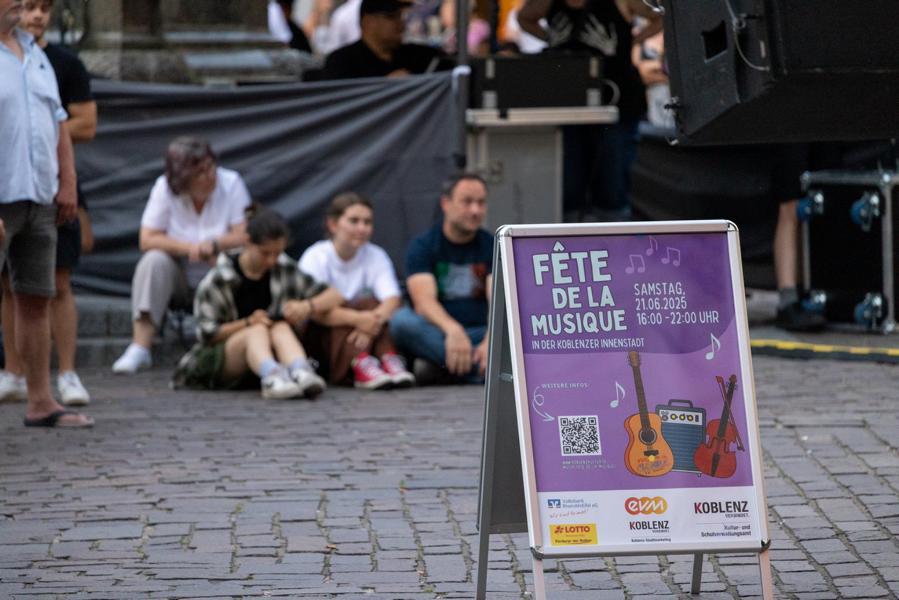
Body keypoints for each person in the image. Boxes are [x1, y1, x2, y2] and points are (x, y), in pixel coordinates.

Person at [0, 0, 98, 407]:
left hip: (40, 195)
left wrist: (67, 181)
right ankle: (14, 374)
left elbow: (58, 121)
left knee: (38, 297)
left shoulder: (38, 55)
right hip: (4, 196)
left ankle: (41, 400)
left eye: (40, 4)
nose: (27, 8)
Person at [112, 137, 250, 374]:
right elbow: (147, 238)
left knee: (244, 262)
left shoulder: (231, 183)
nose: (209, 176)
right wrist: (189, 248)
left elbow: (246, 234)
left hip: (220, 272)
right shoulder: (164, 188)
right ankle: (140, 347)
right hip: (180, 276)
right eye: (200, 173)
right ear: (182, 178)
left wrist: (215, 245)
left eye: (211, 167)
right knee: (153, 261)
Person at [173, 209, 343, 399]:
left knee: (279, 326)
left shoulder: (284, 268)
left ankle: (300, 370)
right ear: (248, 242)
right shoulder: (219, 279)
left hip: (268, 351)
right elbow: (208, 334)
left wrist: (306, 306)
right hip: (221, 358)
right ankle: (272, 376)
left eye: (277, 253)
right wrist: (247, 322)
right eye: (265, 253)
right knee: (257, 329)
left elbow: (334, 295)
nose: (271, 260)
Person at [517, 0, 661, 222]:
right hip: (570, 104)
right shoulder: (549, 3)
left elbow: (659, 17)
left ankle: (614, 234)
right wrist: (550, 39)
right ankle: (572, 230)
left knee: (611, 184)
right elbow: (524, 17)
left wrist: (633, 39)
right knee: (569, 184)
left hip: (617, 102)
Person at [299, 192, 415, 389]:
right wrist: (359, 319)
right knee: (348, 308)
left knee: (372, 305)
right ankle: (360, 362)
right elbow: (315, 312)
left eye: (367, 222)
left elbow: (392, 299)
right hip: (323, 339)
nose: (362, 228)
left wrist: (371, 322)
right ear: (333, 224)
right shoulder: (315, 257)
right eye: (354, 221)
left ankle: (385, 359)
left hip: (366, 329)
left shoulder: (376, 254)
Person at [389, 173, 493, 384]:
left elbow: (500, 302)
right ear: (446, 203)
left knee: (518, 332)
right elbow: (423, 303)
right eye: (467, 202)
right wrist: (453, 330)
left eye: (481, 203)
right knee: (402, 322)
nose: (475, 210)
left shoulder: (493, 245)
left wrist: (492, 339)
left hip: (481, 332)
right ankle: (485, 371)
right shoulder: (423, 246)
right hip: (440, 333)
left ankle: (446, 368)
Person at [322, 0, 448, 79]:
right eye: (391, 17)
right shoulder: (341, 62)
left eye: (401, 16)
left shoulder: (419, 56)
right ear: (368, 22)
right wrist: (384, 87)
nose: (401, 24)